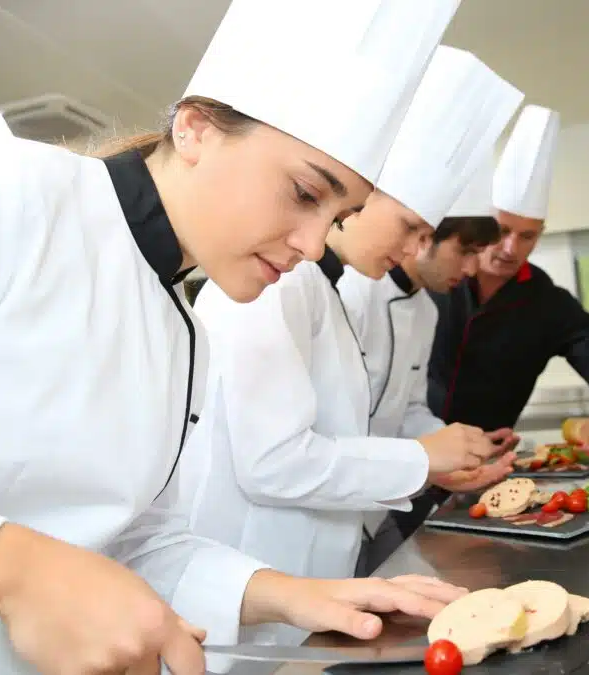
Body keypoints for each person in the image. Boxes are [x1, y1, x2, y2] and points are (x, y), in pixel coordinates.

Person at [0, 1, 469, 673]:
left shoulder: (181, 329)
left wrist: (303, 596)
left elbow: (133, 542)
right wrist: (9, 569)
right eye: (305, 192)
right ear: (194, 129)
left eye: (343, 214)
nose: (312, 244)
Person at [178, 45, 522, 664]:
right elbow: (274, 463)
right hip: (254, 580)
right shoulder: (272, 284)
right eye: (411, 226)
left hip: (317, 581)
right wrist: (421, 461)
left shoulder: (320, 289)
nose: (417, 249)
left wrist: (441, 453)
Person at [427, 105, 589, 447]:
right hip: (411, 454)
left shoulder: (546, 302)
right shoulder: (436, 277)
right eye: (502, 230)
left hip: (486, 463)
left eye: (527, 236)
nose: (510, 248)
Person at [338, 159, 519, 576]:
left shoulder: (424, 310)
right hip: (340, 501)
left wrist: (462, 448)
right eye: (465, 252)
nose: (471, 270)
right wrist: (427, 459)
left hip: (374, 510)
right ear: (424, 238)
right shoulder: (353, 290)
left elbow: (409, 410)